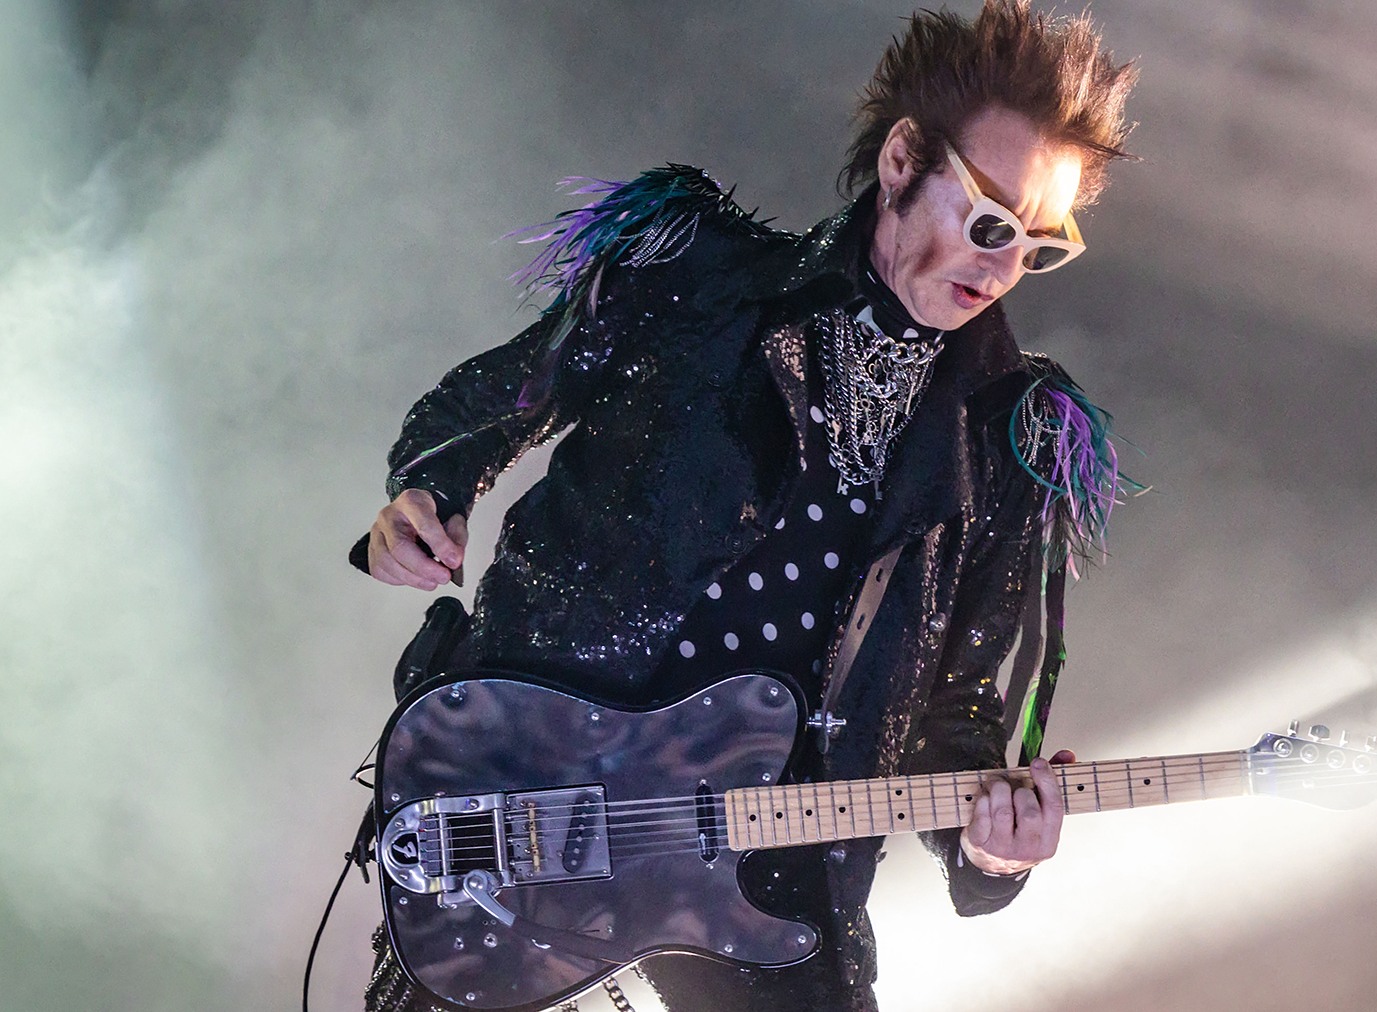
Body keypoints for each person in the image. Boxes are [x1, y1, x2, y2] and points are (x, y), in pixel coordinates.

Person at [352, 3, 1137, 1009]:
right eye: (989, 223)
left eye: (1037, 244)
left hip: (767, 879)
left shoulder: (1010, 437)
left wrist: (996, 851)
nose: (1002, 265)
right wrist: (428, 488)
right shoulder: (697, 272)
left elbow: (960, 713)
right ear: (903, 160)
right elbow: (499, 396)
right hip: (535, 795)